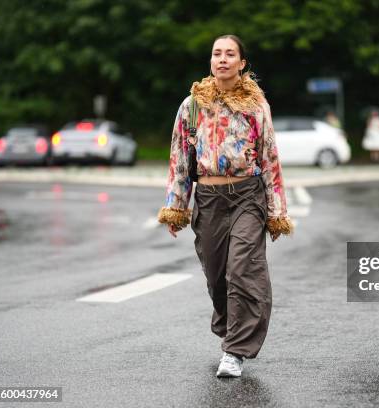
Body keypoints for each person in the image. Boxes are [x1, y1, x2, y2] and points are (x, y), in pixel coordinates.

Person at [157, 34, 293, 378]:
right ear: (211, 61)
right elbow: (180, 159)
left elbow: (270, 158)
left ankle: (235, 351)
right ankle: (231, 326)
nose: (222, 59)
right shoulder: (192, 106)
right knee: (217, 277)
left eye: (230, 54)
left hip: (248, 196)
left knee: (242, 271)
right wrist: (176, 207)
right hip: (209, 199)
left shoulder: (255, 106)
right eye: (217, 53)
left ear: (241, 63)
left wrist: (276, 212)